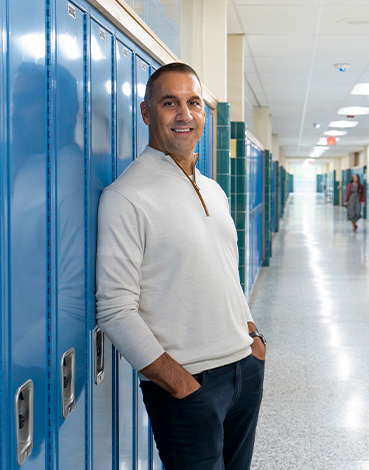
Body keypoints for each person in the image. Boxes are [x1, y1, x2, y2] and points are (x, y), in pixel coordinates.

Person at [95, 62, 266, 470]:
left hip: (244, 372)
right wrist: (181, 386)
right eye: (169, 103)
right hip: (189, 387)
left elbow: (226, 271)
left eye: (193, 103)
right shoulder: (126, 196)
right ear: (146, 112)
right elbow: (115, 310)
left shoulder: (214, 190)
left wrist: (255, 340)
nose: (184, 115)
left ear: (205, 113)